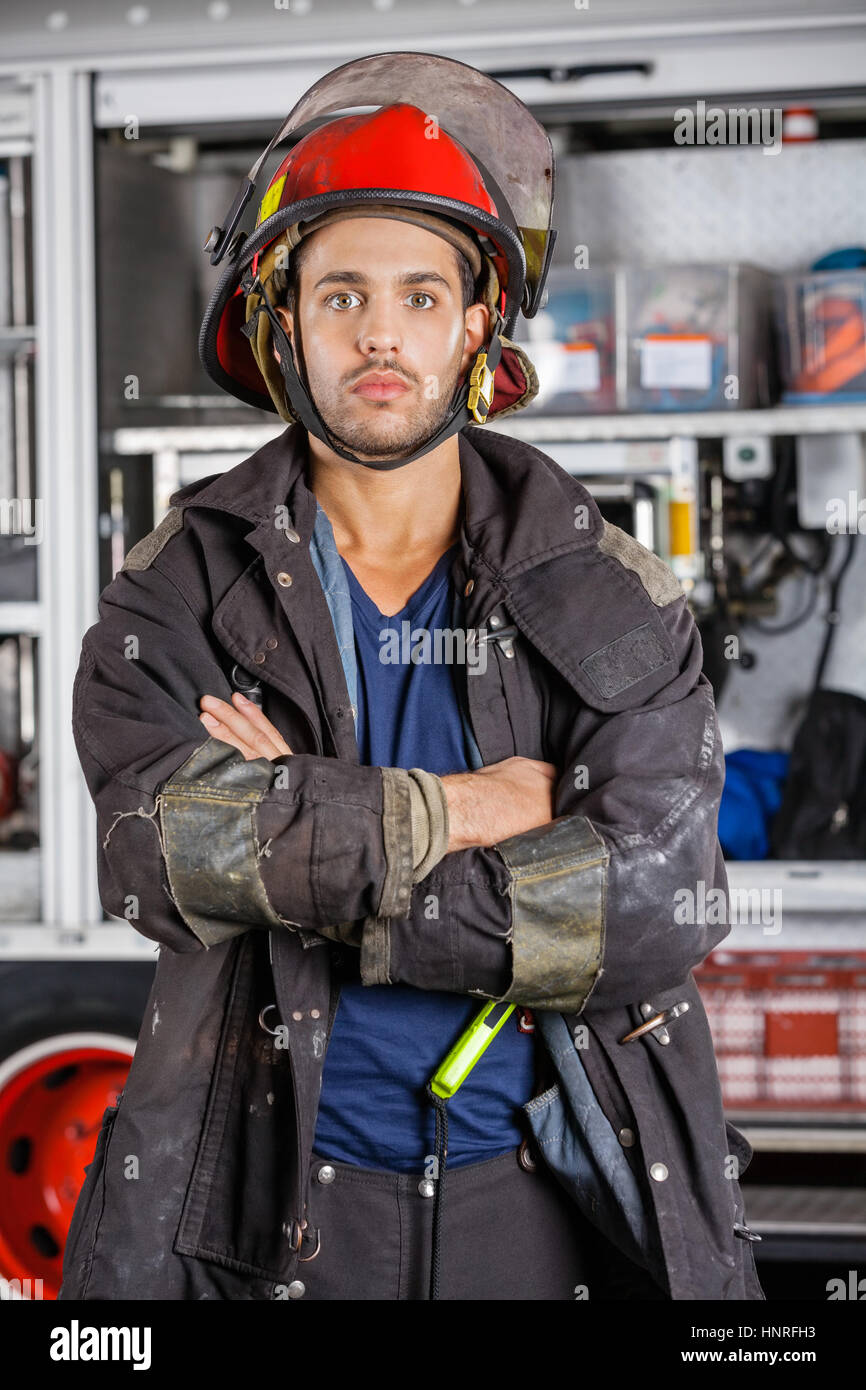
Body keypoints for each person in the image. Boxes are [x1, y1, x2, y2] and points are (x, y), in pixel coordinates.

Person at [60, 51, 764, 1302]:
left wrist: (315, 832)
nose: (380, 332)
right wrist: (475, 807)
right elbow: (163, 859)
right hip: (258, 1210)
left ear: (476, 324)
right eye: (340, 295)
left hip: (544, 1198)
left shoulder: (602, 583)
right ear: (283, 322)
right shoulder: (175, 583)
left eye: (419, 295)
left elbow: (656, 904)